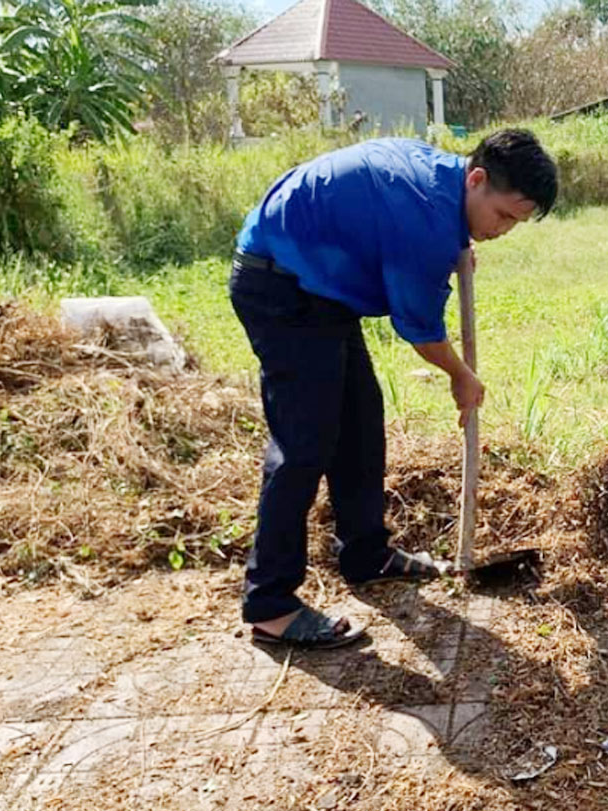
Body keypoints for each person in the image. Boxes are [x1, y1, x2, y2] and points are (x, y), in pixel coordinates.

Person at [231, 129, 558, 649]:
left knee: (360, 422)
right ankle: (270, 604)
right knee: (304, 443)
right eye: (503, 216)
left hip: (319, 289)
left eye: (517, 222)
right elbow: (420, 328)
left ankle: (365, 553)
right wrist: (461, 375)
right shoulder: (426, 219)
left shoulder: (442, 183)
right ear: (477, 179)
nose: (505, 230)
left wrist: (459, 242)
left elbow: (397, 232)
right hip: (280, 287)